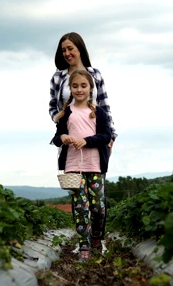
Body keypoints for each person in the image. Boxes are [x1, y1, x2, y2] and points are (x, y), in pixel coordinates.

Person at [52, 70, 112, 262]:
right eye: (75, 86)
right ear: (70, 89)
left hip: (94, 165)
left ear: (91, 88)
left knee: (98, 208)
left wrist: (86, 141)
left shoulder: (98, 112)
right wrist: (63, 137)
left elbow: (106, 136)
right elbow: (56, 138)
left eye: (83, 86)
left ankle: (96, 238)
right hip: (73, 167)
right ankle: (84, 246)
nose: (79, 89)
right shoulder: (66, 113)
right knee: (81, 208)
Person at [49, 32, 117, 150]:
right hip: (70, 140)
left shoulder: (95, 75)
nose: (67, 53)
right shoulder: (58, 78)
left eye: (70, 49)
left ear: (80, 49)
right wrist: (64, 125)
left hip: (97, 137)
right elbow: (53, 108)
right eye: (64, 50)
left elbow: (105, 107)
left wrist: (111, 136)